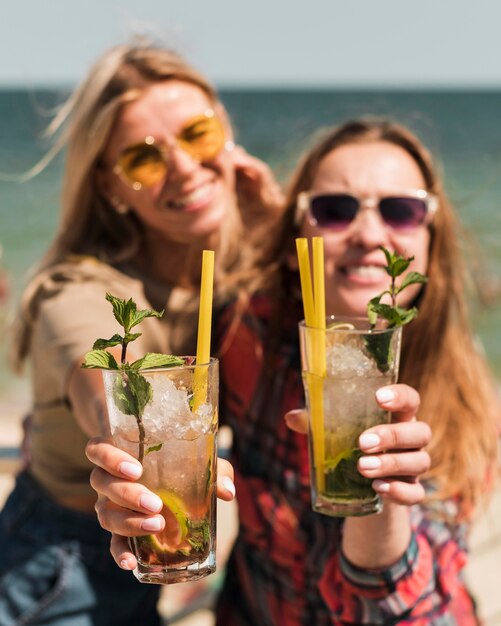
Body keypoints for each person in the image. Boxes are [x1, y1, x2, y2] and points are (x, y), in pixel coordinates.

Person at [88, 118, 500, 625]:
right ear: (294, 240)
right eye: (334, 210)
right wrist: (123, 462)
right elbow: (126, 363)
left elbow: (402, 607)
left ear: (431, 241)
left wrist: (383, 501)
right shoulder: (246, 339)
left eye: (401, 210)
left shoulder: (468, 403)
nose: (370, 234)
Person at [0, 40, 282, 626]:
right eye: (144, 159)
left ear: (226, 133)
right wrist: (125, 457)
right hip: (55, 568)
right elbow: (96, 377)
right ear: (109, 187)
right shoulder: (76, 288)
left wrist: (277, 231)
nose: (182, 165)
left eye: (198, 134)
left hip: (159, 564)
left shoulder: (234, 283)